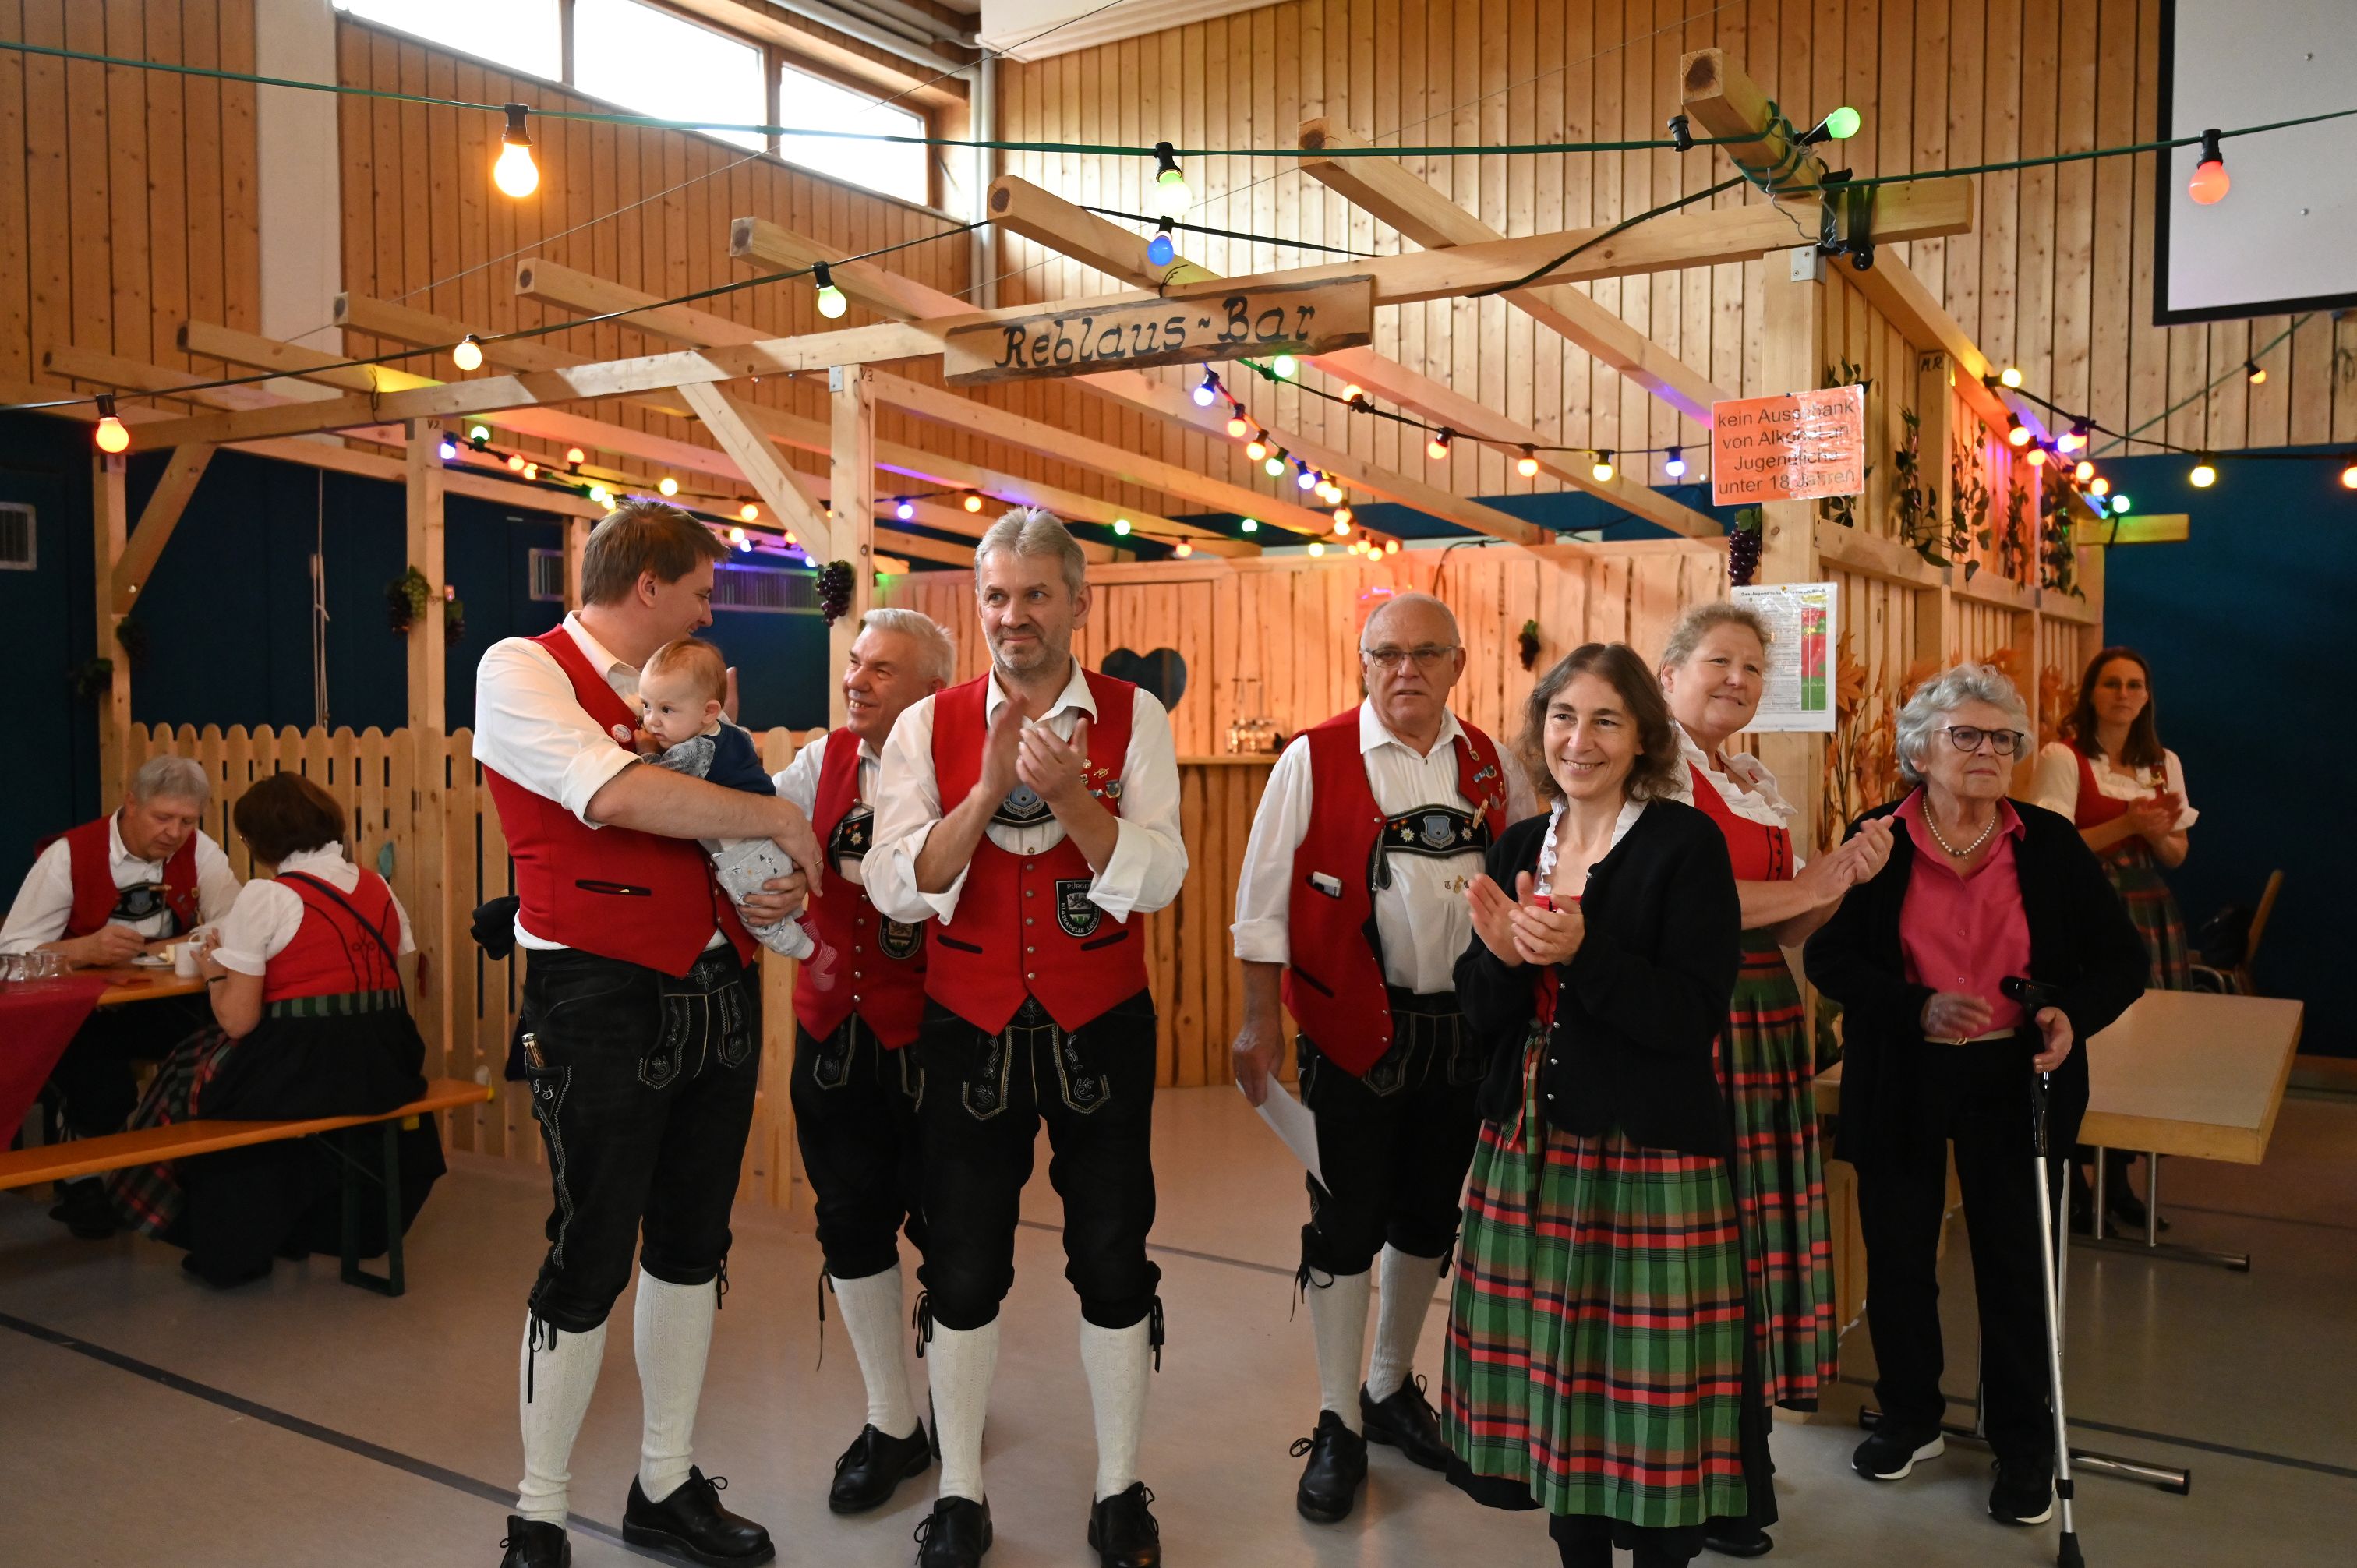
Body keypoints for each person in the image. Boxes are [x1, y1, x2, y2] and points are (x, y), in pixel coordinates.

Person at [473, 500, 820, 1568]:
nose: (711, 611)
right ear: (649, 585)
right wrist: (777, 818)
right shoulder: (521, 668)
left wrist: (769, 885)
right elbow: (617, 793)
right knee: (588, 1250)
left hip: (717, 989)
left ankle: (665, 1482)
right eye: (703, 591)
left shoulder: (681, 689)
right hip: (598, 993)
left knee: (692, 1244)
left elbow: (711, 823)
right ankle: (538, 1510)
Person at [868, 508, 1187, 1568]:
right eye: (997, 595)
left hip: (1103, 1023)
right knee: (961, 1267)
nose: (1014, 615)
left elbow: (1160, 876)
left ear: (1078, 602)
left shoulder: (1137, 717)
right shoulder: (929, 726)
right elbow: (900, 884)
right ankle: (959, 1490)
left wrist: (1071, 801)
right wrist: (986, 792)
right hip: (969, 1027)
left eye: (1036, 593)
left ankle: (1119, 1487)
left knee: (1114, 1258)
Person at [1804, 663, 2146, 1530]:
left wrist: (2070, 1013)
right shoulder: (1877, 836)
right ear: (1921, 750)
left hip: (2015, 1075)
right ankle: (1910, 1417)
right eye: (1966, 734)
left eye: (2003, 738)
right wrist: (1912, 1005)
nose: (1988, 750)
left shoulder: (2049, 843)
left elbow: (2122, 960)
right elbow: (1829, 957)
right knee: (1899, 1255)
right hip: (1904, 1073)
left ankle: (2023, 1442)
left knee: (2017, 1265)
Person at [1228, 590, 1535, 1526]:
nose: (1407, 669)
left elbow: (1532, 881)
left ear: (1457, 664)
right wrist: (1259, 1020)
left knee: (1430, 1212)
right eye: (1388, 653)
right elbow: (1260, 904)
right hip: (1353, 1023)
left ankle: (1390, 1386)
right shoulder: (1313, 757)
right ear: (1364, 663)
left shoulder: (1494, 764)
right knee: (1345, 1220)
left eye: (1427, 652)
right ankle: (1337, 1417)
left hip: (1465, 1029)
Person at [1444, 642, 1754, 1568]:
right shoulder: (1518, 845)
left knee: (1652, 1386)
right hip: (1530, 1141)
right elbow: (1481, 1015)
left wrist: (1585, 953)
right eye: (1563, 716)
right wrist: (1505, 960)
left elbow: (1690, 1015)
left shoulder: (1683, 845)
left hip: (1648, 1149)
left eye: (1606, 720)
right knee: (1558, 1379)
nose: (1579, 739)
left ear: (1644, 737)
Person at [1655, 604, 1894, 1557]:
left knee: (1750, 1239)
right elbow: (1685, 905)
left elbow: (1789, 926)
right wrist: (1813, 881)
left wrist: (1843, 877)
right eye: (1719, 661)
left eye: (1753, 668)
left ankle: (1740, 1456)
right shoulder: (1653, 772)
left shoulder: (1749, 778)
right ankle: (1696, 1469)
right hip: (1691, 1014)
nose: (1737, 680)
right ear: (1669, 673)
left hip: (1760, 1013)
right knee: (1702, 1244)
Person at [103, 772, 440, 1286]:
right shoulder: (379, 888)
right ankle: (290, 1220)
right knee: (217, 1069)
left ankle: (184, 1222)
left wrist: (214, 970)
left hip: (301, 1070)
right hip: (385, 1064)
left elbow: (238, 1020)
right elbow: (381, 973)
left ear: (258, 840)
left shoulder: (267, 896)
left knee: (188, 1069)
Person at [771, 606, 954, 1514]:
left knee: (958, 1236)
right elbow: (751, 824)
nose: (856, 680)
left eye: (882, 669)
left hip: (940, 1037)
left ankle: (956, 1408)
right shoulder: (819, 763)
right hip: (832, 1032)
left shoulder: (964, 768)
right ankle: (892, 1420)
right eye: (855, 663)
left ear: (932, 689)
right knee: (849, 1223)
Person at [2, 754, 242, 1238]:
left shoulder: (202, 851)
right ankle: (82, 1181)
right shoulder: (68, 857)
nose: (175, 833)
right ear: (130, 804)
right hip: (81, 1010)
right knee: (103, 1088)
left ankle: (195, 1174)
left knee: (224, 1053)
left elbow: (234, 922)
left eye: (187, 821)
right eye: (163, 818)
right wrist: (82, 950)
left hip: (158, 1001)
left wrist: (168, 947)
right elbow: (10, 954)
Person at [2027, 646, 2194, 1234]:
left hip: (2146, 904)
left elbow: (2177, 853)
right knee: (2090, 1035)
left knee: (2147, 1044)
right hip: (2087, 907)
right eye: (2112, 684)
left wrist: (2157, 832)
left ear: (2147, 697)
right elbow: (2050, 846)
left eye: (2135, 685)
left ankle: (2119, 1182)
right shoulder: (2063, 757)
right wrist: (2128, 823)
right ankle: (2073, 1184)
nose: (2124, 694)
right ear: (2092, 694)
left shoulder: (2162, 763)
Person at [638, 634, 814, 959]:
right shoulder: (727, 729)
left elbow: (655, 785)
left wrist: (645, 750)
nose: (651, 721)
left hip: (744, 850)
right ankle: (808, 926)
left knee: (757, 913)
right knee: (783, 901)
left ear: (708, 711)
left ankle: (812, 954)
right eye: (646, 705)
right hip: (765, 839)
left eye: (667, 709)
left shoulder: (695, 750)